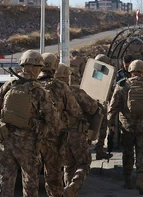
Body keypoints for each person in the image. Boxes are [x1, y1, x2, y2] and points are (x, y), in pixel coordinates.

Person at [0, 50, 60, 197]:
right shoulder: (39, 90)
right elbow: (52, 119)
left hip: (5, 143)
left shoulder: (7, 86)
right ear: (36, 68)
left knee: (6, 184)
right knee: (30, 184)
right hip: (28, 145)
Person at [108, 60, 143, 195]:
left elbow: (113, 107)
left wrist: (110, 124)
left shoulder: (122, 85)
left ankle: (128, 180)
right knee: (142, 153)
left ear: (130, 71)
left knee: (127, 152)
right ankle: (141, 178)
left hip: (127, 127)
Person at [37, 53, 76, 197]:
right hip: (54, 141)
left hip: (31, 140)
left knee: (29, 179)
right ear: (54, 66)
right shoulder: (61, 87)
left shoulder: (30, 84)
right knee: (53, 179)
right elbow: (75, 111)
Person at [55, 63, 95, 197]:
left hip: (59, 135)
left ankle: (69, 190)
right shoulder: (75, 91)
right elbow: (93, 108)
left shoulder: (48, 92)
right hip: (76, 134)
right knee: (84, 163)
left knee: (68, 165)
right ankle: (73, 186)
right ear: (67, 77)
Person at [93, 54, 114, 160]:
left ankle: (98, 151)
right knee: (101, 130)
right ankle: (99, 150)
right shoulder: (100, 75)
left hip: (91, 106)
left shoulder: (91, 74)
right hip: (99, 106)